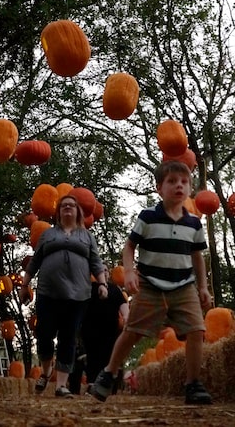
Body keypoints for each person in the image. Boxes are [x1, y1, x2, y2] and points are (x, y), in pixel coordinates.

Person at [88, 160, 213, 405]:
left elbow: (197, 257)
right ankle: (109, 373)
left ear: (189, 188)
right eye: (172, 181)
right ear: (159, 188)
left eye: (184, 182)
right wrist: (129, 271)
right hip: (151, 285)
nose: (179, 186)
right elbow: (129, 246)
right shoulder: (148, 217)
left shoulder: (194, 224)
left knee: (197, 330)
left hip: (184, 286)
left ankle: (193, 383)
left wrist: (203, 286)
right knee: (132, 331)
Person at [19, 194, 108, 398]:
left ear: (78, 212)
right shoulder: (48, 234)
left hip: (78, 295)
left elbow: (96, 261)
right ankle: (46, 370)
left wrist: (102, 283)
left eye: (71, 206)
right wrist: (25, 284)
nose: (67, 208)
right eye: (63, 206)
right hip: (48, 292)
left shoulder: (86, 236)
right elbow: (35, 261)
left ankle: (60, 385)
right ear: (58, 212)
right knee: (44, 334)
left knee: (68, 337)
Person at [68, 266, 129, 395]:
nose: (103, 272)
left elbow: (123, 305)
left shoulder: (114, 289)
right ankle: (92, 383)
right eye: (100, 270)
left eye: (106, 270)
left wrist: (127, 317)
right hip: (90, 329)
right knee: (92, 356)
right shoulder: (87, 289)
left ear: (109, 274)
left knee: (108, 356)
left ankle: (107, 384)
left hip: (110, 329)